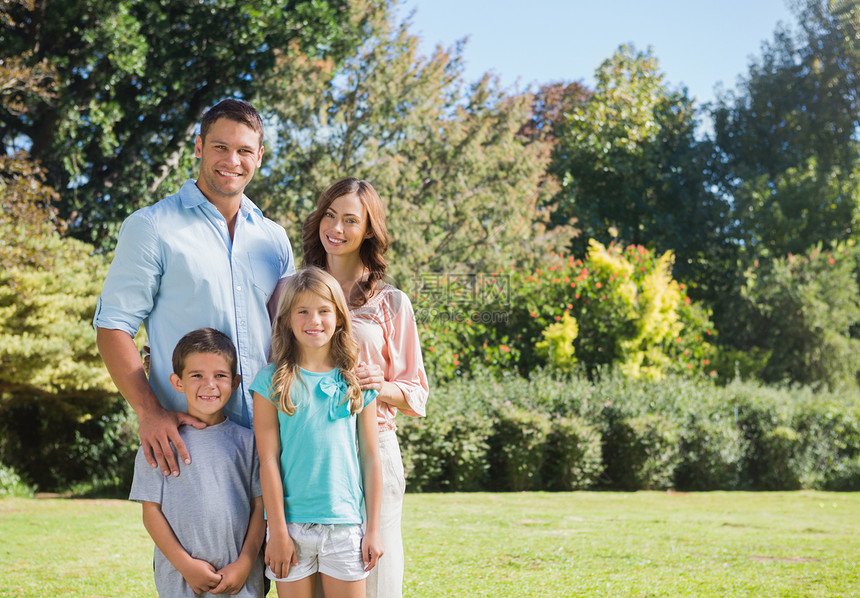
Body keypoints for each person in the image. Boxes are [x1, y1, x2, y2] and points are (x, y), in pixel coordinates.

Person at [94, 98, 294, 477]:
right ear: (199, 147)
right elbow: (112, 327)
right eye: (220, 147)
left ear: (260, 156)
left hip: (275, 440)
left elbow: (292, 333)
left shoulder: (275, 239)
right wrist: (149, 412)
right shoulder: (152, 227)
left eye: (244, 151)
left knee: (279, 540)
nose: (232, 160)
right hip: (190, 441)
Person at [302, 177, 429, 598]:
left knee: (375, 579)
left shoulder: (392, 302)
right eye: (330, 215)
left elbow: (416, 393)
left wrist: (382, 385)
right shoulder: (292, 290)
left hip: (374, 450)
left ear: (368, 230)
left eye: (350, 220)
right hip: (312, 454)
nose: (336, 228)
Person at [251, 266, 383, 598]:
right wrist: (277, 529)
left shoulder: (356, 382)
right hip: (291, 528)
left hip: (346, 524)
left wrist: (373, 529)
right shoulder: (270, 383)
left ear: (339, 317)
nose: (314, 320)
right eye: (303, 311)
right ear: (286, 320)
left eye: (324, 311)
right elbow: (268, 461)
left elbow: (370, 457)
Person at [130, 328, 266, 597]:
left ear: (235, 382)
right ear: (178, 382)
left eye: (220, 376)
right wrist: (185, 565)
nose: (209, 384)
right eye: (196, 376)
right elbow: (151, 513)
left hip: (241, 581)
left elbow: (260, 507)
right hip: (181, 581)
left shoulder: (249, 442)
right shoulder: (160, 442)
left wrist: (245, 563)